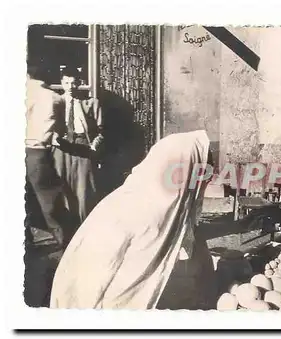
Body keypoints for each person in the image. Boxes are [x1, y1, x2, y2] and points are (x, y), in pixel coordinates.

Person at [50, 130, 217, 310]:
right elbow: (102, 287)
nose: (204, 185)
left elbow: (188, 233)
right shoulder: (144, 214)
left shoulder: (156, 199)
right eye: (203, 175)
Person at [52, 67, 104, 235]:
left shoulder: (91, 103)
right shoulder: (55, 102)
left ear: (79, 83)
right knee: (62, 189)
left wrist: (94, 145)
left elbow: (103, 130)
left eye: (73, 83)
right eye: (66, 83)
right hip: (62, 147)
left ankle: (85, 232)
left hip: (83, 146)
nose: (70, 87)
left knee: (84, 190)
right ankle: (67, 232)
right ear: (61, 83)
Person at [25, 59, 66, 248]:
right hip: (38, 152)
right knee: (47, 200)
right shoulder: (55, 98)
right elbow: (60, 129)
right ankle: (62, 240)